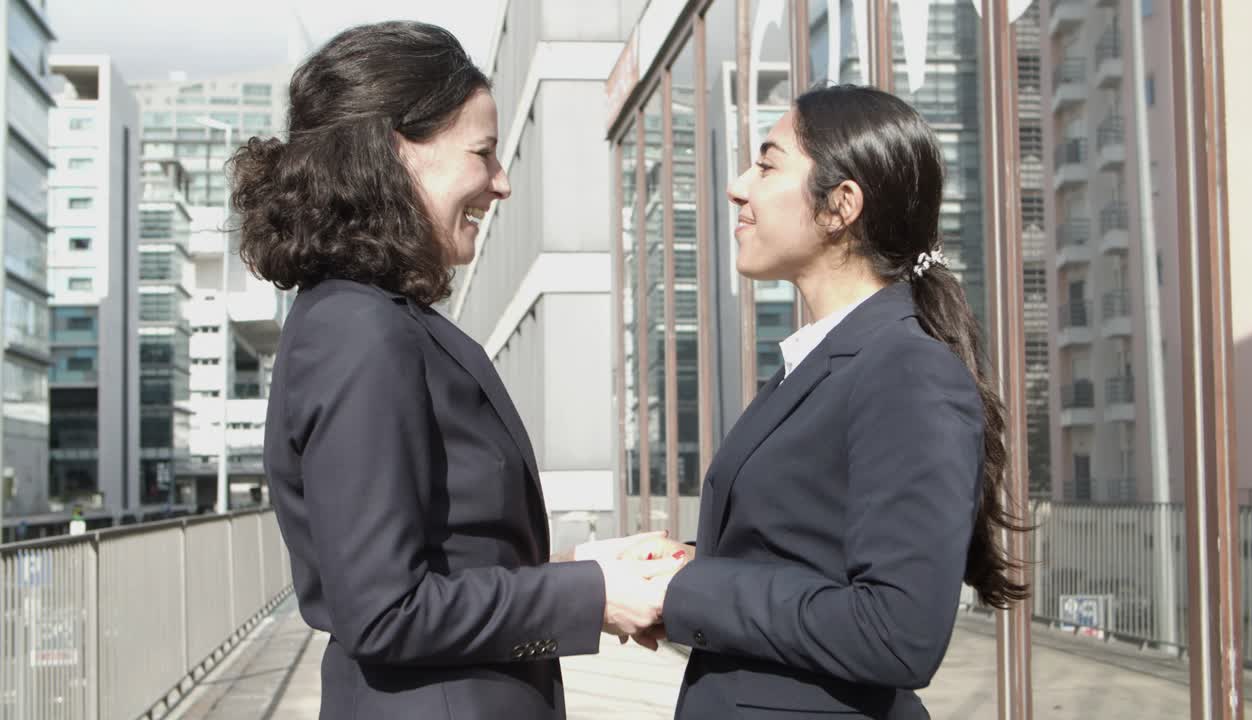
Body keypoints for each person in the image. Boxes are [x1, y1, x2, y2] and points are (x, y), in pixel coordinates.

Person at [235, 22, 671, 719]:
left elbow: (444, 564)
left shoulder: (376, 320)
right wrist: (593, 595)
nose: (500, 183)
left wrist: (588, 574)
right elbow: (383, 610)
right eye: (483, 152)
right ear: (394, 152)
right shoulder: (360, 331)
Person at [638, 84, 1029, 719]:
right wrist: (679, 564)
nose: (740, 186)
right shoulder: (820, 363)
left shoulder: (906, 370)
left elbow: (896, 630)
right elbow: (801, 555)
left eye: (767, 164)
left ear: (839, 206)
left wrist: (682, 590)